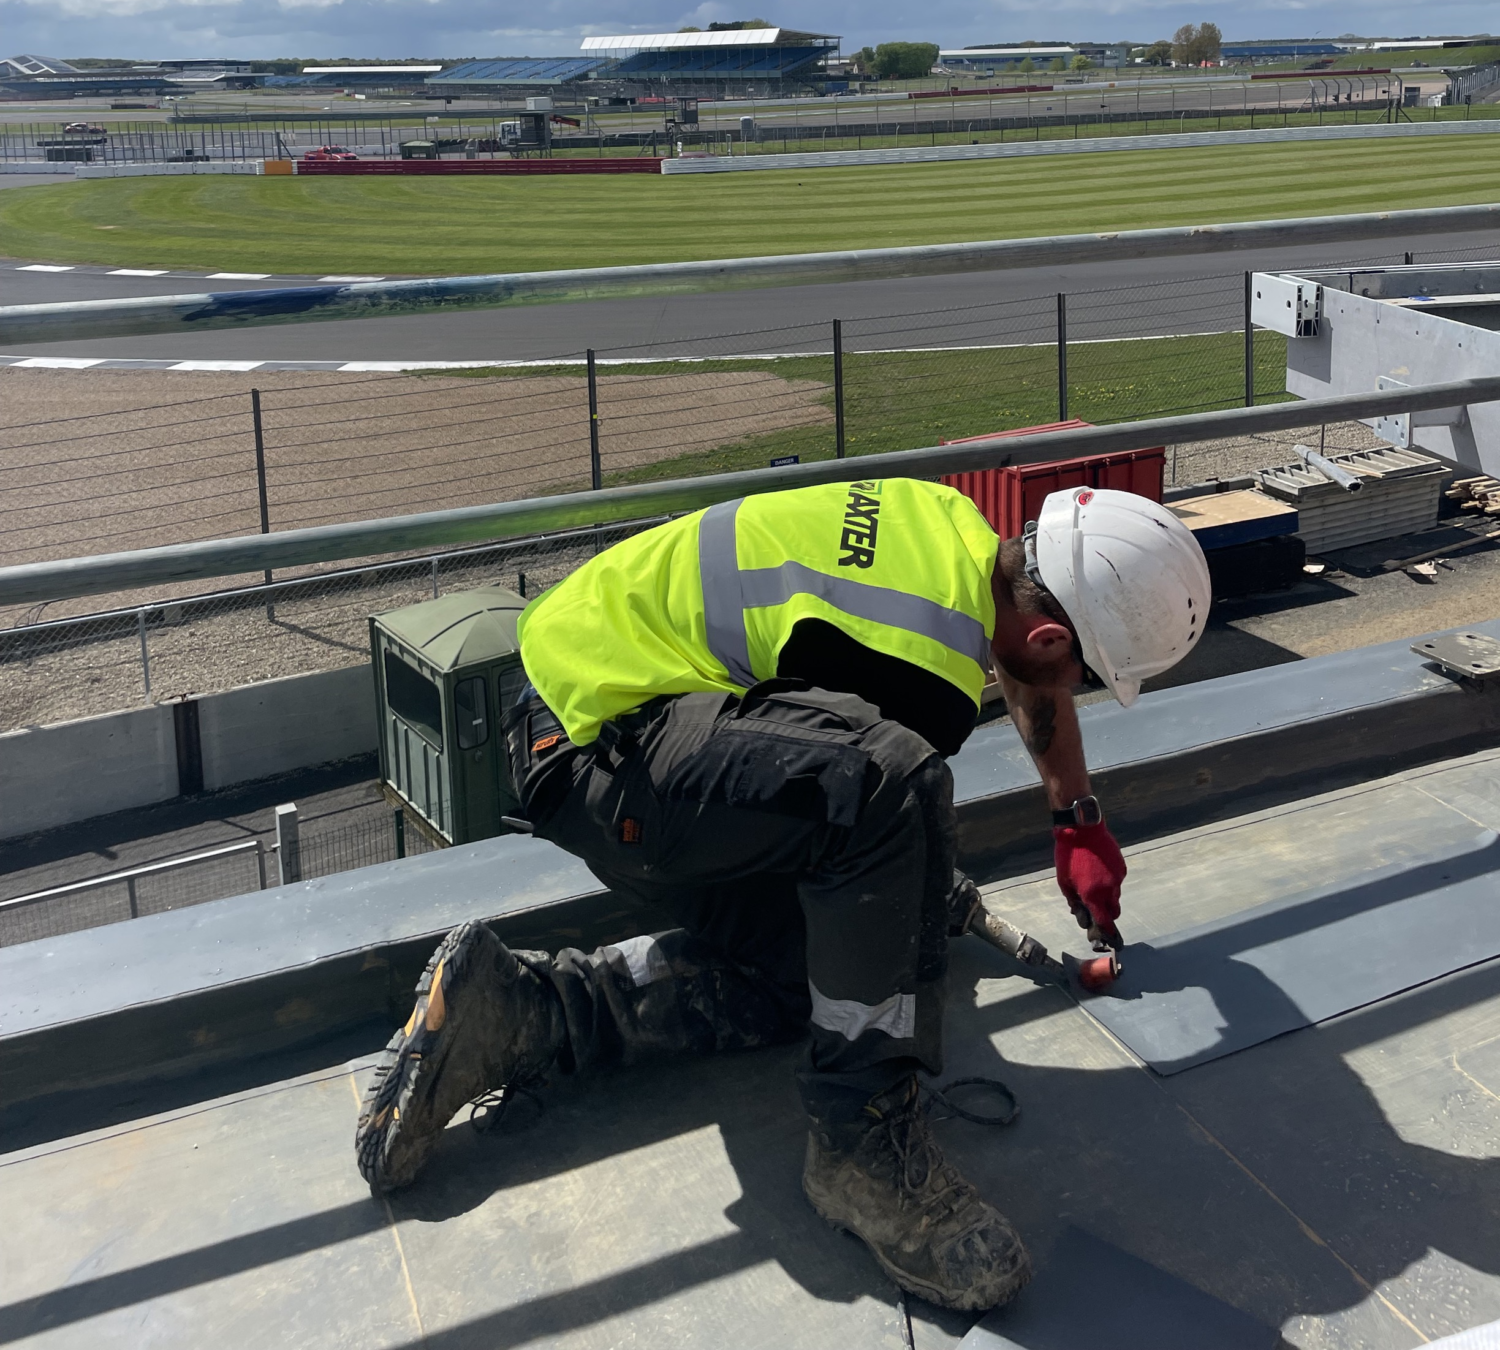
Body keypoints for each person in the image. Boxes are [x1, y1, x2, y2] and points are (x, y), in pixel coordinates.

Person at [355, 478, 1211, 1312]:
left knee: (811, 976)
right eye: (1083, 673)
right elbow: (875, 796)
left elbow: (841, 751)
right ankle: (863, 1154)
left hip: (590, 696)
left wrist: (1075, 818)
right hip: (606, 751)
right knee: (895, 796)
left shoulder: (947, 522)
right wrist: (915, 884)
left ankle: (519, 1012)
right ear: (1057, 638)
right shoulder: (927, 662)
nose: (1070, 690)